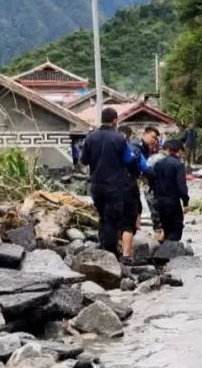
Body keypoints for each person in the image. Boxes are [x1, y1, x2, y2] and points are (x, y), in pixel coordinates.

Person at [80, 108, 148, 254]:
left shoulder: (90, 137)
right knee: (112, 218)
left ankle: (103, 247)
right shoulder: (119, 138)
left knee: (103, 216)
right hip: (114, 186)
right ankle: (109, 253)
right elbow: (129, 160)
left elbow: (84, 160)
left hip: (96, 186)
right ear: (115, 120)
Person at [151, 140, 190, 242]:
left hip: (160, 201)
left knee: (166, 228)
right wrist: (185, 202)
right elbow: (181, 186)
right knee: (176, 231)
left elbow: (153, 183)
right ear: (179, 151)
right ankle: (172, 253)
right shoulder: (178, 165)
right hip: (173, 202)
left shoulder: (158, 164)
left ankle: (165, 253)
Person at [118, 126, 146, 261]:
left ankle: (110, 251)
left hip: (106, 187)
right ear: (129, 136)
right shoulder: (133, 150)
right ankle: (126, 256)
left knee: (110, 220)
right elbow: (143, 167)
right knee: (128, 224)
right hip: (128, 186)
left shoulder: (104, 149)